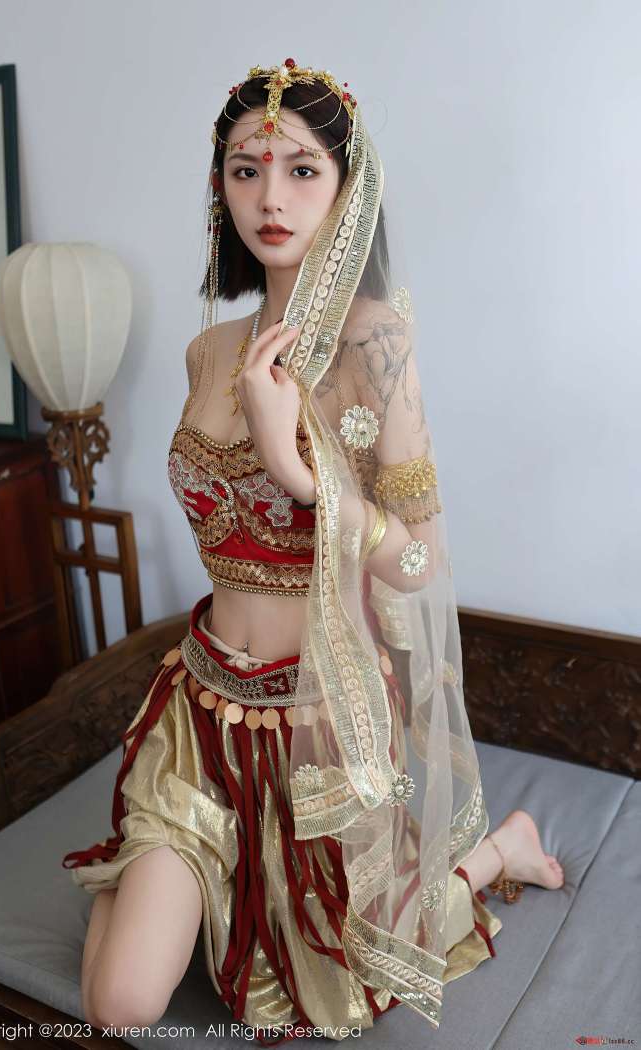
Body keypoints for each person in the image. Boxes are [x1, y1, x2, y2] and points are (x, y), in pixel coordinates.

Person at [62, 59, 564, 1043]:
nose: (271, 198)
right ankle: (176, 862)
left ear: (345, 185)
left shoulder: (377, 346)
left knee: (349, 975)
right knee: (119, 1006)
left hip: (319, 728)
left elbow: (418, 568)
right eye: (246, 170)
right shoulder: (208, 351)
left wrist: (300, 472)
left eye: (301, 170)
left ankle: (498, 849)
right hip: (200, 715)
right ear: (220, 187)